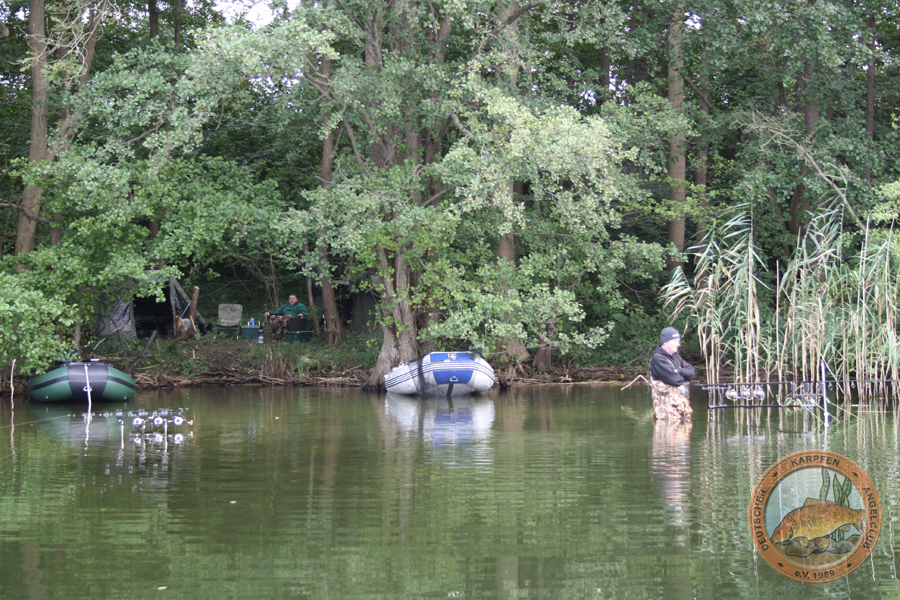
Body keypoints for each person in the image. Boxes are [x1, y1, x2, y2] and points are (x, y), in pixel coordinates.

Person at [649, 327, 695, 421]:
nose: (678, 344)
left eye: (678, 341)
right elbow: (674, 380)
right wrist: (683, 376)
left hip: (681, 411)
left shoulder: (675, 357)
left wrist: (679, 371)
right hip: (667, 415)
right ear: (666, 342)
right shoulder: (658, 359)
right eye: (675, 341)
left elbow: (691, 372)